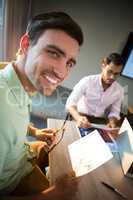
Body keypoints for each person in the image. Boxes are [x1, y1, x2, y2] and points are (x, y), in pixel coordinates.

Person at [0, 11, 83, 199]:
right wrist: (54, 194)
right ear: (26, 45)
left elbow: (13, 123)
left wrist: (34, 132)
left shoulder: (19, 81)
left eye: (69, 62)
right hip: (11, 181)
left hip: (22, 156)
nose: (62, 73)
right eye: (54, 53)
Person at [66, 53, 124, 134]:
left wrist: (112, 122)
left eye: (116, 74)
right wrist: (78, 117)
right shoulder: (87, 81)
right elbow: (70, 102)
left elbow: (115, 112)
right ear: (103, 66)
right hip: (79, 116)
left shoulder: (119, 90)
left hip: (98, 122)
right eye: (110, 72)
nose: (112, 77)